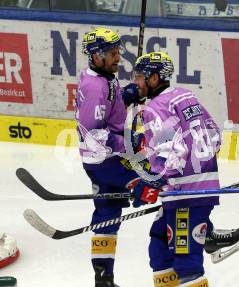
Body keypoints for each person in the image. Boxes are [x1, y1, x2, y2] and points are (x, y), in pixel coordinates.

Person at [121, 51, 239, 287]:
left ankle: (205, 233)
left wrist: (150, 181)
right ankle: (207, 233)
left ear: (155, 78)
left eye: (139, 77)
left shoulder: (156, 108)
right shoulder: (184, 96)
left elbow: (171, 154)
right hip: (193, 188)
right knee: (159, 245)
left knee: (186, 264)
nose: (135, 82)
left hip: (185, 194)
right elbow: (214, 136)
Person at [77, 27, 165, 287]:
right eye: (112, 54)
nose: (118, 58)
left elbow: (111, 106)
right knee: (159, 180)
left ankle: (103, 279)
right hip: (108, 161)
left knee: (107, 213)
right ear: (96, 55)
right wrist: (128, 141)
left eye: (118, 52)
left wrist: (127, 95)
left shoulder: (103, 77)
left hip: (100, 161)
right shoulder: (95, 87)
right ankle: (202, 231)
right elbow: (93, 133)